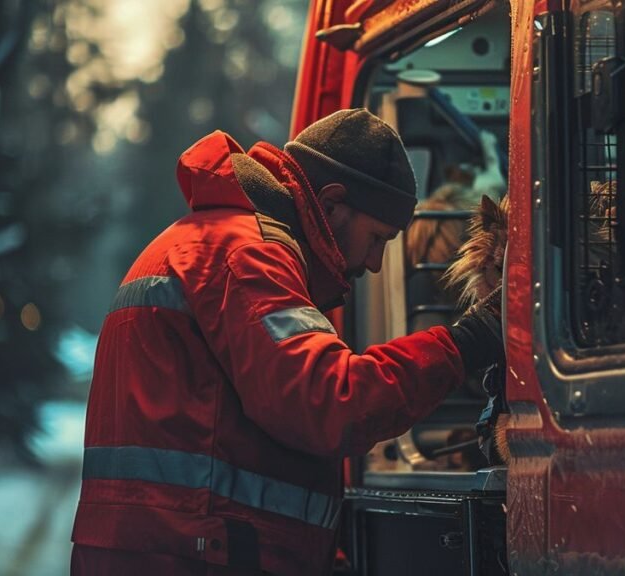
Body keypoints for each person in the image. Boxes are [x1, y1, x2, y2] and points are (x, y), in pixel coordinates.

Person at [69, 108, 504, 575]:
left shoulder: (207, 243)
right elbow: (332, 402)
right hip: (194, 556)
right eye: (378, 238)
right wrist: (465, 343)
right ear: (332, 203)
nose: (376, 263)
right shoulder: (249, 256)